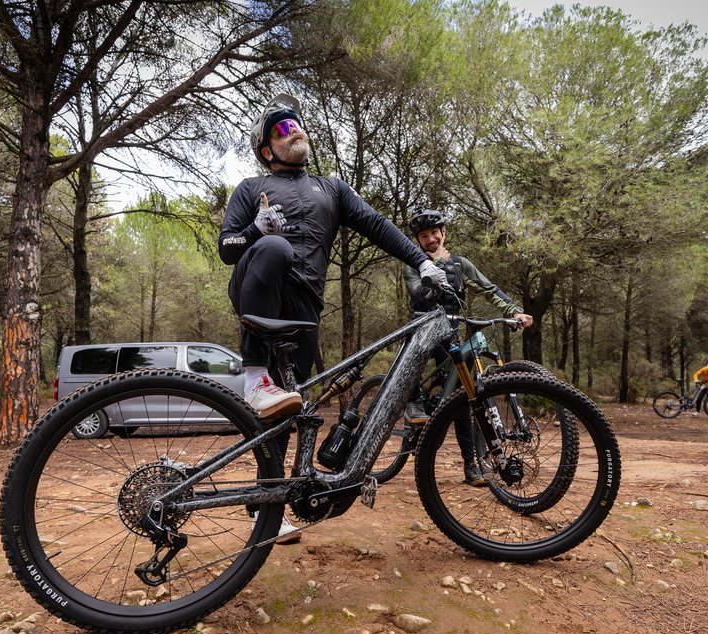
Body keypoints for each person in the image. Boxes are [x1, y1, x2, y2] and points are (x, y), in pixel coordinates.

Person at [218, 94, 447, 539]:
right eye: (283, 129)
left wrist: (421, 261)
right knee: (275, 246)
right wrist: (253, 230)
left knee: (286, 408)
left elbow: (378, 225)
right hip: (259, 293)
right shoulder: (250, 188)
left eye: (297, 124)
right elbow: (226, 249)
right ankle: (252, 375)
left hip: (304, 312)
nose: (295, 130)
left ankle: (267, 507)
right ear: (267, 150)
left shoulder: (333, 188)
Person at [401, 208, 534, 486]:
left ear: (443, 232)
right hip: (423, 330)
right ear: (419, 240)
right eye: (423, 236)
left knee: (465, 400)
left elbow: (489, 288)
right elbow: (419, 296)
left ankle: (471, 467)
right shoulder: (412, 263)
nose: (430, 239)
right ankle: (413, 403)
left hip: (451, 334)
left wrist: (514, 310)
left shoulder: (461, 265)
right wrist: (433, 273)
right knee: (409, 363)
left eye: (434, 233)